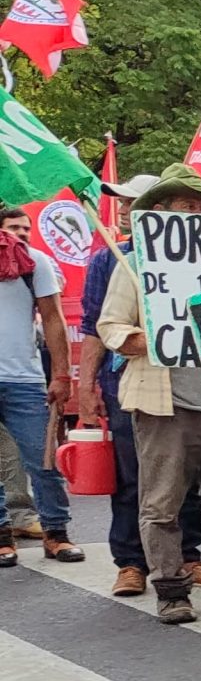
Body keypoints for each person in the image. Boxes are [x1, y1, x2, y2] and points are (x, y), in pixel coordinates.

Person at [95, 165, 201, 624]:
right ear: (161, 212)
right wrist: (151, 339)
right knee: (161, 503)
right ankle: (170, 588)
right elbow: (110, 326)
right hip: (165, 402)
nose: (198, 213)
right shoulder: (138, 265)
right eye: (187, 205)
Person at [79, 177, 201, 594]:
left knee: (188, 481)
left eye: (131, 201)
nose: (124, 209)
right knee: (134, 478)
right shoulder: (112, 259)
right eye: (122, 202)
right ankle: (131, 562)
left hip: (197, 391)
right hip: (131, 382)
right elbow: (97, 327)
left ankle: (188, 555)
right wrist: (87, 386)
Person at [0, 206, 77, 568]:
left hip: (24, 379)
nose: (19, 233)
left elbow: (53, 318)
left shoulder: (34, 262)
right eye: (12, 227)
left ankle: (56, 533)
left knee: (44, 461)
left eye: (24, 228)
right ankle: (2, 536)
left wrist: (61, 375)